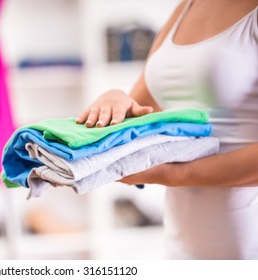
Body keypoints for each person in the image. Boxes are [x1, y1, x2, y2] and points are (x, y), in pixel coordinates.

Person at [76, 0, 258, 259]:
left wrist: (174, 175)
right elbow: (143, 115)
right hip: (182, 240)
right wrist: (115, 99)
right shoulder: (187, 6)